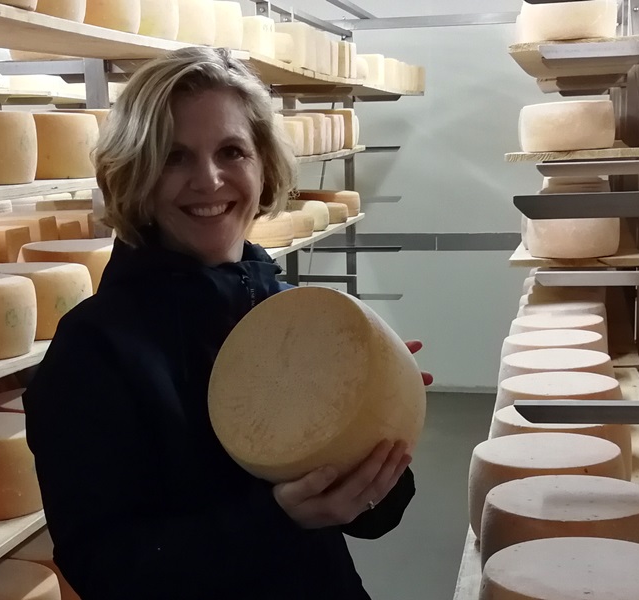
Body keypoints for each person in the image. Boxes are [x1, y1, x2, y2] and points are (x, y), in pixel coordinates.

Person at [23, 46, 426, 599]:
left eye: (231, 151)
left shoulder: (291, 313)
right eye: (174, 157)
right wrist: (276, 519)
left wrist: (376, 428)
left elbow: (373, 518)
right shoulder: (92, 350)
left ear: (263, 167)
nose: (209, 180)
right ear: (135, 174)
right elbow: (102, 565)